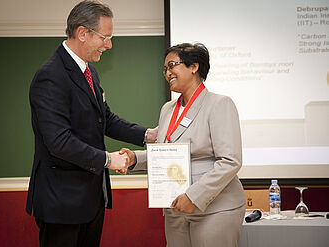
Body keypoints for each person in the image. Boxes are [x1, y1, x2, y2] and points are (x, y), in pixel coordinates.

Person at [25, 1, 157, 246]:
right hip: (62, 204)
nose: (109, 45)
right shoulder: (50, 76)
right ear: (82, 33)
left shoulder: (90, 72)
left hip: (90, 199)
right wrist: (108, 159)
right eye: (105, 37)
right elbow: (58, 142)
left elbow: (105, 119)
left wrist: (150, 134)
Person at [121, 43, 246, 247]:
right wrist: (136, 158)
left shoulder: (219, 104)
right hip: (176, 207)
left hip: (215, 207)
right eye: (165, 69)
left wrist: (193, 196)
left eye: (172, 66)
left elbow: (230, 161)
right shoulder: (167, 109)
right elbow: (166, 154)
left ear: (194, 67)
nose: (167, 73)